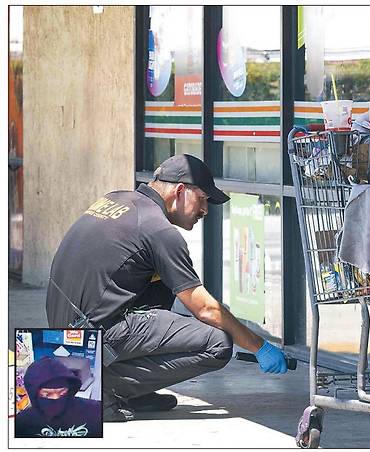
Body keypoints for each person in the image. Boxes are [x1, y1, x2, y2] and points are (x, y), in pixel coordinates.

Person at [45, 154, 288, 422]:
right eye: (203, 199)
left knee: (165, 282)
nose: (205, 210)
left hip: (65, 328)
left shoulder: (117, 200)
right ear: (180, 190)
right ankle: (100, 386)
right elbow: (206, 309)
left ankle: (133, 391)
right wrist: (259, 345)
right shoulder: (159, 231)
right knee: (216, 342)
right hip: (91, 332)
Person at [15, 356, 102, 437]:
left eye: (62, 393)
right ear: (34, 393)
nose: (56, 398)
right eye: (47, 394)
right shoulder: (23, 422)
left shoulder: (96, 412)